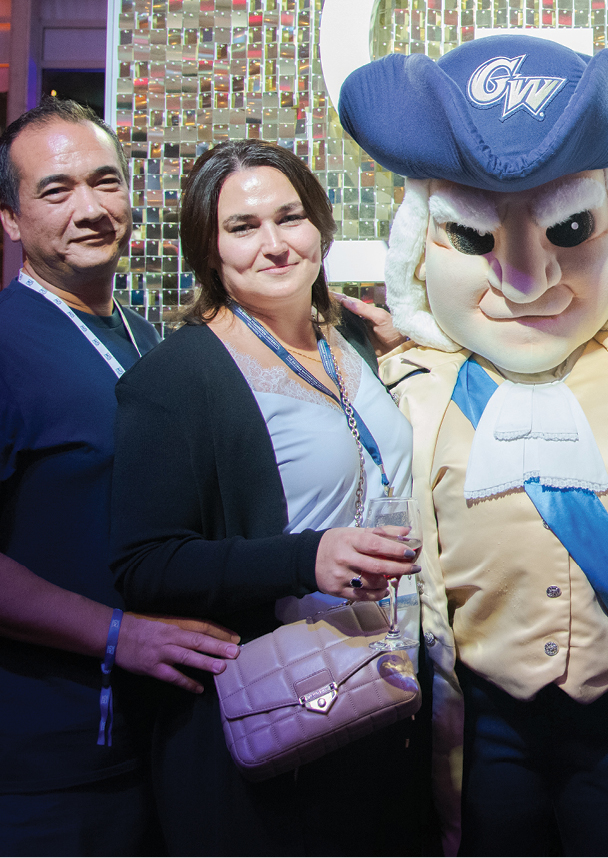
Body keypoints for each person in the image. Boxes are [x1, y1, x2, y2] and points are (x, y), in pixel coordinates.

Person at [339, 33, 608, 857]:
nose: (527, 280)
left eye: (571, 228)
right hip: (479, 722)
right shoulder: (404, 389)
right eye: (473, 240)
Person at [108, 140, 420, 856]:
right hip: (281, 715)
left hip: (381, 687)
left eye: (291, 217)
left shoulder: (352, 342)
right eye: (243, 227)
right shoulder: (180, 377)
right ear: (208, 249)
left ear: (321, 227)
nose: (275, 245)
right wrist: (304, 558)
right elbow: (144, 564)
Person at [0, 98, 241, 857]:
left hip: (171, 739)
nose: (91, 208)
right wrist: (115, 635)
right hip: (53, 762)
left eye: (105, 182)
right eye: (56, 189)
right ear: (11, 220)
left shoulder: (149, 338)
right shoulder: (7, 344)